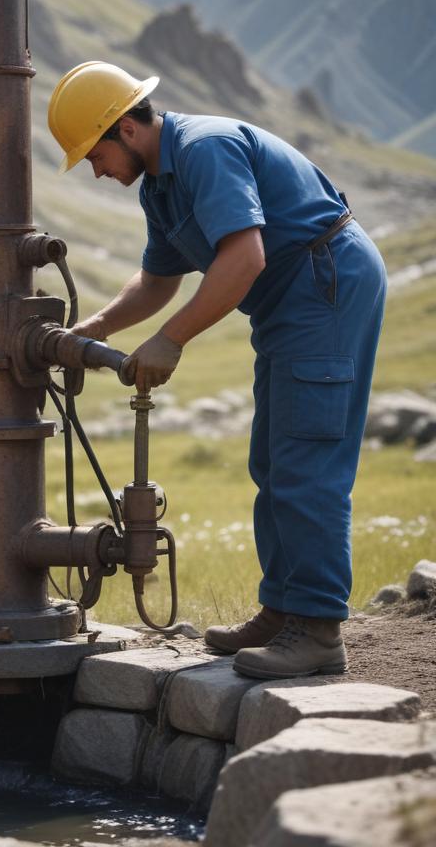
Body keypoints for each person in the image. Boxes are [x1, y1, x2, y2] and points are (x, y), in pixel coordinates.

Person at [47, 61, 387, 679]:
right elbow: (157, 281)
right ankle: (282, 611)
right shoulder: (158, 186)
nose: (96, 170)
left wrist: (171, 340)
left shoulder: (205, 150)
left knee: (306, 461)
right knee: (272, 461)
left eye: (95, 155)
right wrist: (94, 329)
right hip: (290, 300)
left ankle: (317, 630)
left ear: (126, 128)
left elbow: (245, 257)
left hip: (324, 282)